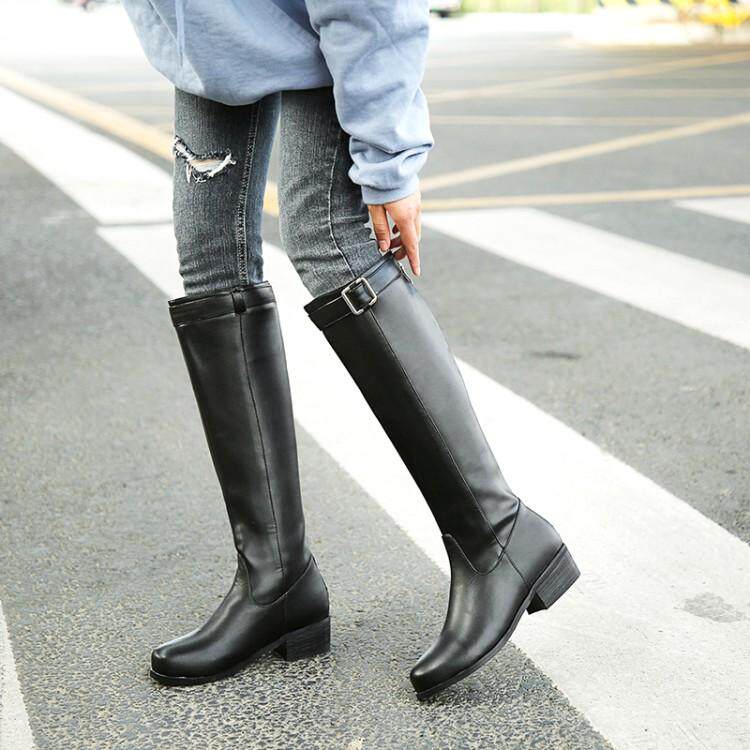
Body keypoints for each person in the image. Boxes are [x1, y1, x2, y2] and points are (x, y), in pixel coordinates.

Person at [122, 0, 579, 700]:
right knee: (209, 263)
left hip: (327, 37)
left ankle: (497, 532)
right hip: (213, 50)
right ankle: (275, 581)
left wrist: (389, 158)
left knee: (330, 241)